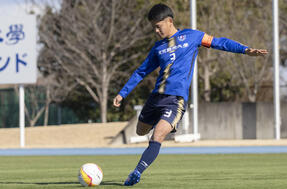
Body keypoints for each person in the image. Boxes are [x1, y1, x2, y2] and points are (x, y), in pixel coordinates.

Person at [113, 3, 268, 186]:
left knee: (157, 136)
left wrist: (245, 49)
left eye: (158, 26)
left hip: (175, 100)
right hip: (156, 98)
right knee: (140, 131)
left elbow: (220, 42)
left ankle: (136, 172)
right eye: (153, 27)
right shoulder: (157, 48)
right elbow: (140, 72)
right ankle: (163, 121)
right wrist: (122, 93)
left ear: (169, 21)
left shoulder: (192, 36)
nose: (155, 30)